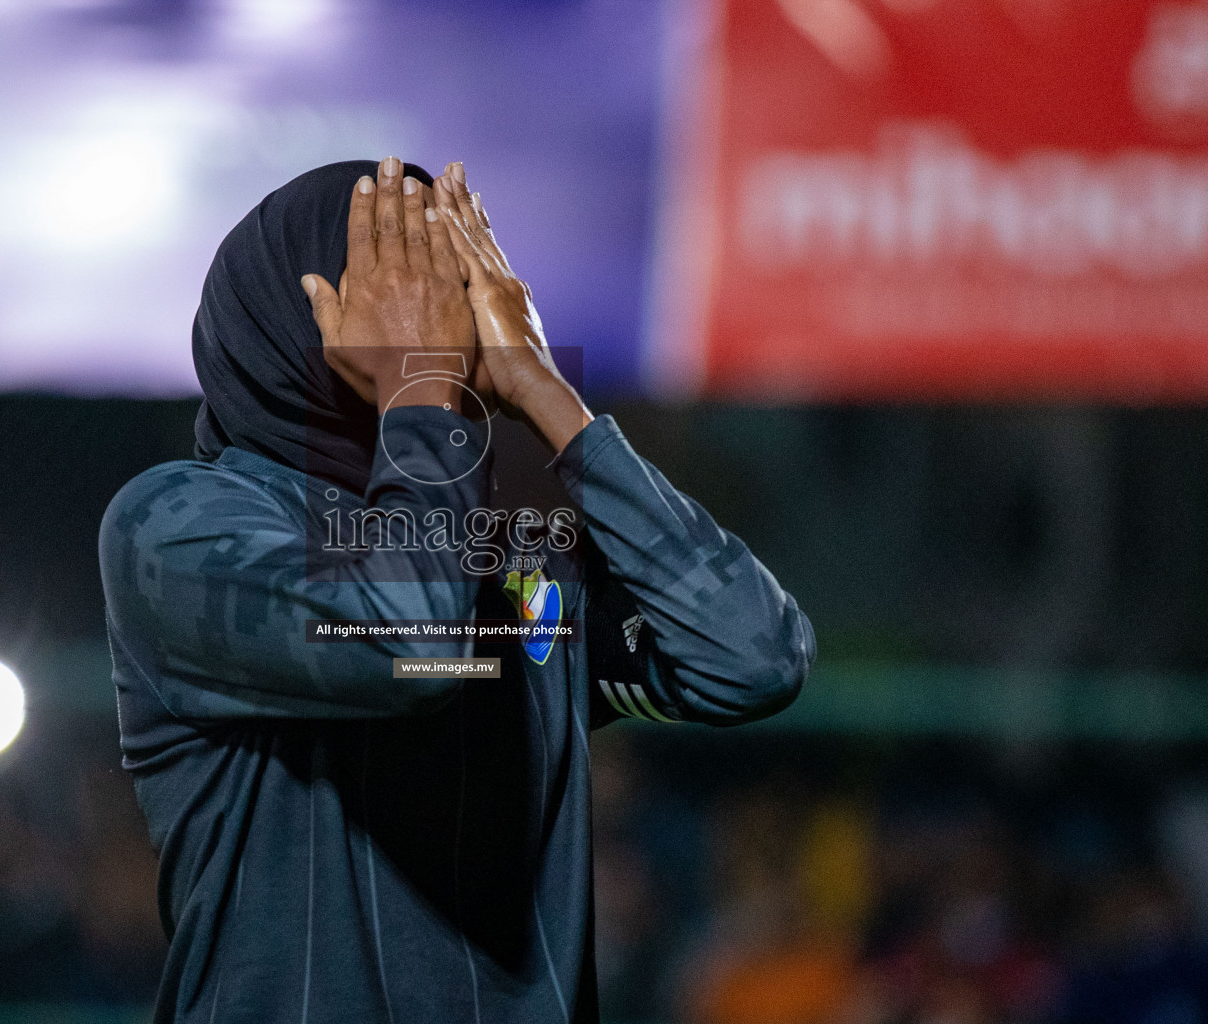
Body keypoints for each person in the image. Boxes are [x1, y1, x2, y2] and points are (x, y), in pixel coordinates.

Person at [97, 156, 816, 1023]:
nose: (435, 317)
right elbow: (414, 651)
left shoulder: (517, 558)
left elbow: (755, 658)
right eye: (399, 289)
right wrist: (420, 397)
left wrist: (547, 395)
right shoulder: (178, 524)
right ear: (297, 314)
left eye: (449, 283)